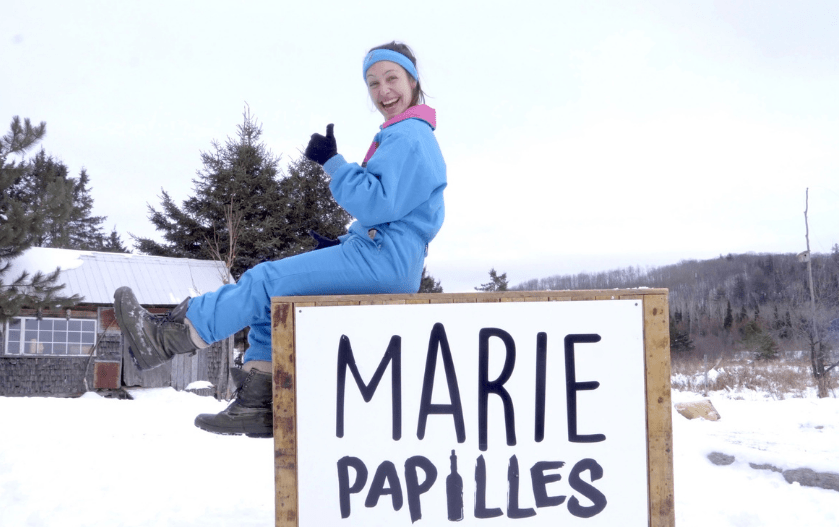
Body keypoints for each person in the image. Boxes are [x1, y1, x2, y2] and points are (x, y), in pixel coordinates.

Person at [113, 41, 446, 438]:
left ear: (412, 80)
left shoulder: (410, 135)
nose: (383, 91)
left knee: (264, 280)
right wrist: (343, 244)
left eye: (392, 78)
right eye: (373, 83)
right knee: (274, 300)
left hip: (382, 259)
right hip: (383, 255)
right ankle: (259, 401)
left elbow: (377, 202)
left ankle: (169, 336)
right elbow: (399, 211)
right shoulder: (406, 134)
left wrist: (333, 163)